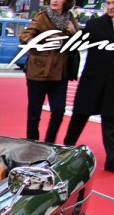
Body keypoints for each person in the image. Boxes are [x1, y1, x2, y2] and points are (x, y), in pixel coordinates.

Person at [62, 0, 114, 174]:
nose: (111, 6)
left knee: (112, 121)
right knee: (79, 118)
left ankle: (113, 161)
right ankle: (64, 151)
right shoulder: (95, 24)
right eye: (108, 3)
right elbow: (78, 44)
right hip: (92, 81)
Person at [20, 0, 78, 143]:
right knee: (35, 113)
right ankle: (32, 143)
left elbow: (78, 42)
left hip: (60, 74)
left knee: (58, 111)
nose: (55, 1)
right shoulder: (42, 17)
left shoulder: (70, 19)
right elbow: (24, 37)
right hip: (38, 72)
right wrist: (44, 41)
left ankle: (49, 143)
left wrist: (74, 33)